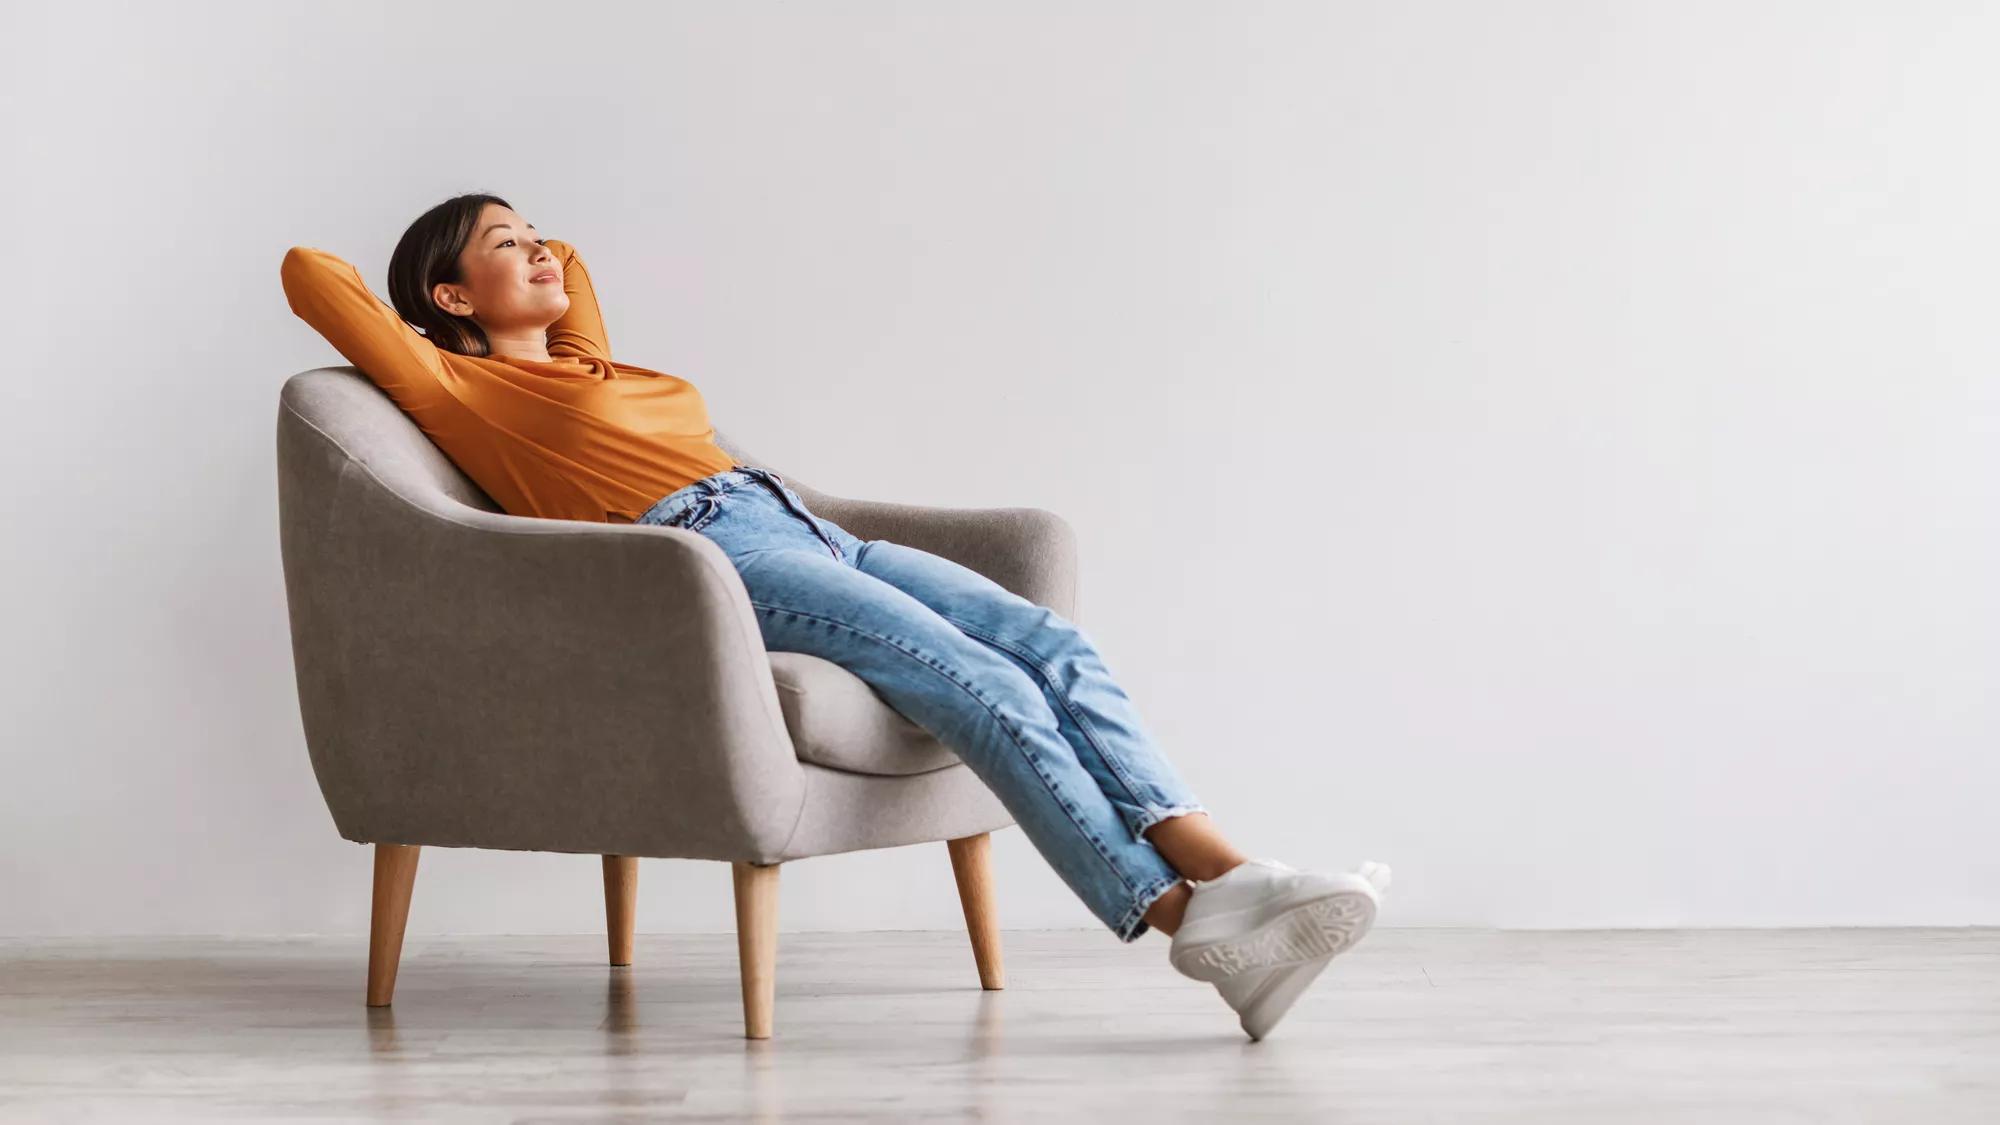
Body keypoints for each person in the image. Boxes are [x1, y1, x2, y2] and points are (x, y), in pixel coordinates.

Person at [280, 191, 1391, 1040]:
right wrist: (449, 310)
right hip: (710, 548)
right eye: (502, 244)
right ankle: (1187, 913)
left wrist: (529, 251)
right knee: (981, 682)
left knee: (1045, 640)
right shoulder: (454, 388)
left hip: (805, 525)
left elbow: (569, 275)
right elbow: (311, 276)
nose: (539, 249)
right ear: (450, 299)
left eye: (538, 232)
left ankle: (1235, 896)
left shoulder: (585, 365)